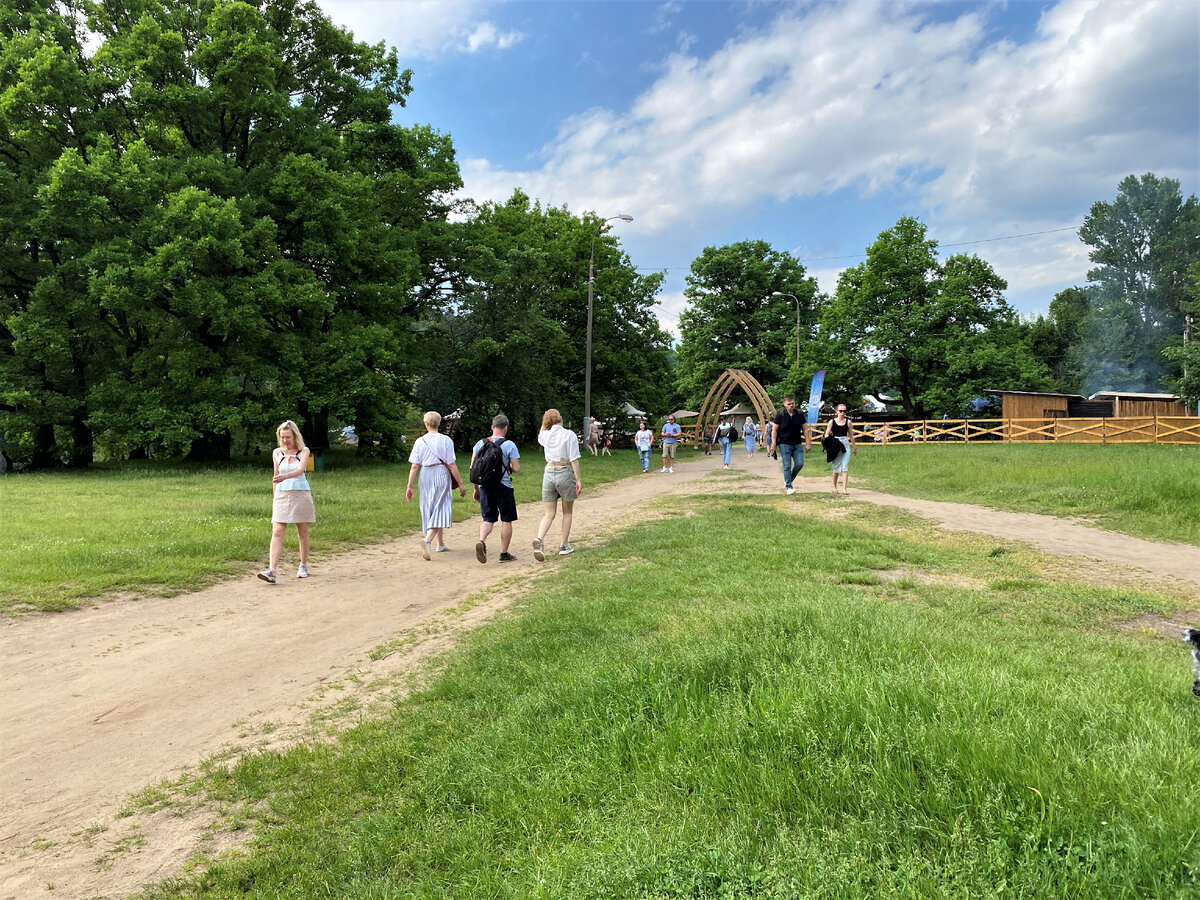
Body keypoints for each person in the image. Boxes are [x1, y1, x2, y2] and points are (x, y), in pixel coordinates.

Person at [258, 420, 315, 583]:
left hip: (300, 493)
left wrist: (286, 476)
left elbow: (300, 470)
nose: (285, 440)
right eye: (282, 437)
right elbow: (275, 477)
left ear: (295, 436)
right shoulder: (276, 453)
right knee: (277, 531)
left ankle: (303, 565)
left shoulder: (303, 451)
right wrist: (275, 496)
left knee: (302, 531)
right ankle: (272, 570)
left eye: (288, 437)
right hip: (282, 495)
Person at [406, 411, 466, 560]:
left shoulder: (420, 441)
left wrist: (410, 486)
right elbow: (451, 465)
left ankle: (440, 544)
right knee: (441, 507)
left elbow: (414, 466)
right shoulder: (446, 440)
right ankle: (427, 540)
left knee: (430, 507)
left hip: (425, 474)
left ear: (426, 424)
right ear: (439, 423)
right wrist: (460, 483)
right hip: (441, 473)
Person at [534, 408, 583, 561]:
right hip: (563, 471)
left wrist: (545, 422)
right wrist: (578, 479)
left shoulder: (545, 436)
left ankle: (540, 539)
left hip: (549, 472)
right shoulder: (569, 435)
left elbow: (541, 432)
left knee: (548, 513)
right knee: (567, 512)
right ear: (560, 419)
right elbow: (574, 458)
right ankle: (563, 545)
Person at [472, 415, 521, 564]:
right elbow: (517, 468)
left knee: (488, 518)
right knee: (506, 519)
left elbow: (473, 469)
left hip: (485, 486)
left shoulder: (480, 444)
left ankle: (482, 540)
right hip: (504, 486)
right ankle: (504, 553)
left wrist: (476, 489)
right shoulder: (509, 444)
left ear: (492, 427)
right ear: (505, 428)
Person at [768, 394, 811, 495]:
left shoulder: (799, 414)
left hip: (797, 443)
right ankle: (789, 487)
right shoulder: (780, 415)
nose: (791, 405)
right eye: (789, 404)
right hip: (784, 443)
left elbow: (805, 428)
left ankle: (789, 479)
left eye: (793, 403)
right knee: (787, 465)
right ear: (785, 404)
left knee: (799, 464)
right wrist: (773, 443)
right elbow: (774, 430)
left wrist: (808, 442)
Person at [823, 403, 857, 495]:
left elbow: (851, 435)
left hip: (845, 444)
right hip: (835, 444)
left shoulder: (848, 422)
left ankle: (845, 489)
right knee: (836, 467)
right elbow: (826, 434)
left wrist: (854, 447)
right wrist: (830, 440)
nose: (842, 413)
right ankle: (834, 487)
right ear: (836, 411)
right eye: (840, 411)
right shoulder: (832, 422)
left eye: (844, 411)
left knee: (844, 467)